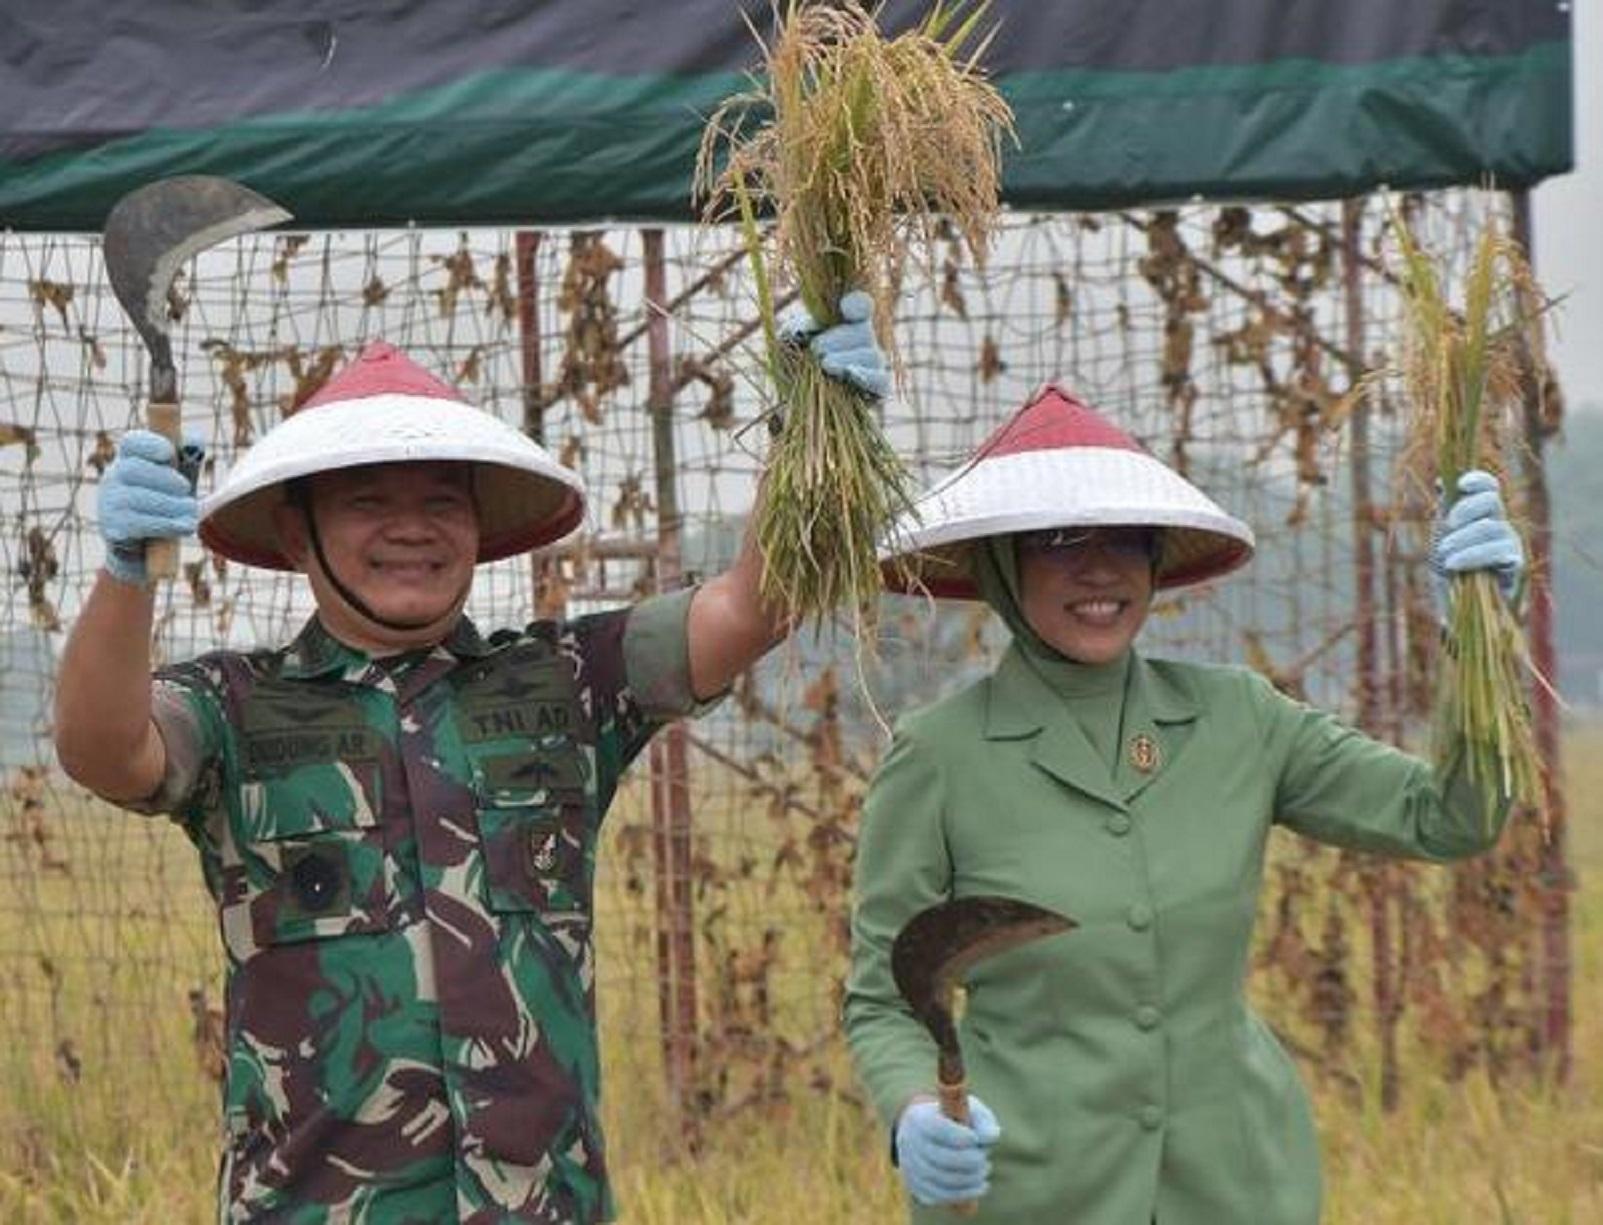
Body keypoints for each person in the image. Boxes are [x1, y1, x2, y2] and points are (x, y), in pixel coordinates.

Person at [53, 300, 886, 1225]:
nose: (411, 528)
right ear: (297, 536)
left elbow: (755, 604)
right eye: (369, 502)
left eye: (441, 502)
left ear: (480, 529)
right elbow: (104, 749)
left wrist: (813, 427)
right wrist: (125, 572)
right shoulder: (235, 707)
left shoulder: (571, 683)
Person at [843, 385, 1525, 1225]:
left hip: (1234, 1186)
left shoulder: (1239, 718)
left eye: (1126, 538)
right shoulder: (940, 755)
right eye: (1059, 539)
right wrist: (913, 1107)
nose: (1100, 568)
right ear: (1001, 565)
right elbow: (883, 996)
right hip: (1032, 1189)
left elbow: (1449, 816)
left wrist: (1480, 640)